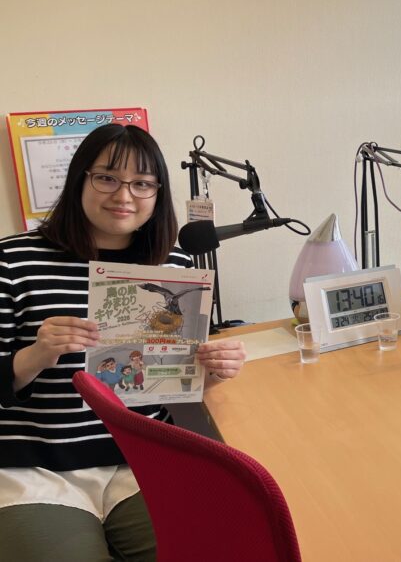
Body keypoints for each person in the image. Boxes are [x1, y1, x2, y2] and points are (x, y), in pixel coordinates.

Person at [0, 124, 247, 560]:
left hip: (141, 455)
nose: (124, 196)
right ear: (80, 179)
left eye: (142, 183)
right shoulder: (13, 260)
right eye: (107, 178)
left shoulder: (173, 265)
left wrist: (212, 370)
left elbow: (174, 381)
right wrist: (35, 355)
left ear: (157, 193)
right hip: (35, 466)